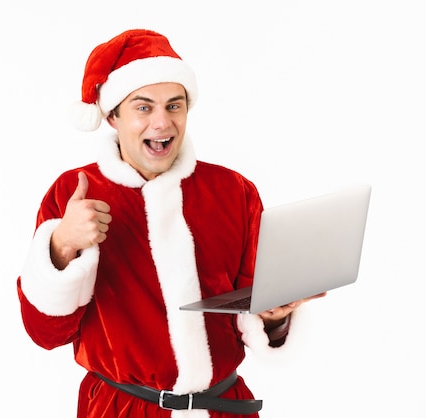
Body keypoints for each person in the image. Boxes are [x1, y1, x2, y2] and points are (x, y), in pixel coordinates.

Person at [16, 29, 325, 418]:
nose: (162, 123)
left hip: (224, 408)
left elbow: (252, 309)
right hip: (121, 411)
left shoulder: (234, 191)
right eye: (143, 108)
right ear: (113, 116)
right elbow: (44, 333)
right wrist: (61, 246)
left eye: (174, 106)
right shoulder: (73, 193)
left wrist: (275, 318)